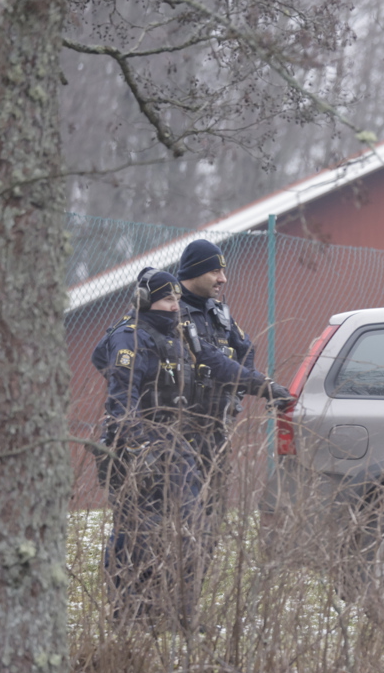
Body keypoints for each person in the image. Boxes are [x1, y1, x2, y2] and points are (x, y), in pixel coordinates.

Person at [94, 268, 289, 625]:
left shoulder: (181, 333)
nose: (175, 307)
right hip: (140, 449)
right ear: (145, 301)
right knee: (137, 531)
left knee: (191, 526)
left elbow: (218, 362)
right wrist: (137, 444)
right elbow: (122, 400)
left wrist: (263, 386)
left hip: (176, 446)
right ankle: (127, 614)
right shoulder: (129, 338)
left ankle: (174, 611)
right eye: (168, 300)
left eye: (177, 299)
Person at [175, 239, 261, 565]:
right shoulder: (170, 308)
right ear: (194, 271)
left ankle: (196, 584)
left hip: (215, 429)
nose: (223, 279)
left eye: (223, 271)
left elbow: (246, 349)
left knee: (213, 512)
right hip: (179, 431)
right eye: (215, 271)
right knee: (184, 513)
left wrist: (236, 393)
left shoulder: (219, 312)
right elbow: (210, 359)